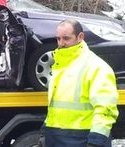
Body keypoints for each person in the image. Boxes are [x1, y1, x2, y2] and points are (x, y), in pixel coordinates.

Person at [43, 19, 119, 147]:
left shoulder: (96, 67)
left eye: (66, 38)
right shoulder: (60, 64)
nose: (61, 43)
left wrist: (96, 141)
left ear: (80, 37)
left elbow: (105, 109)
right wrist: (45, 129)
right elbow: (55, 105)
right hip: (57, 136)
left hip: (83, 138)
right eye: (58, 38)